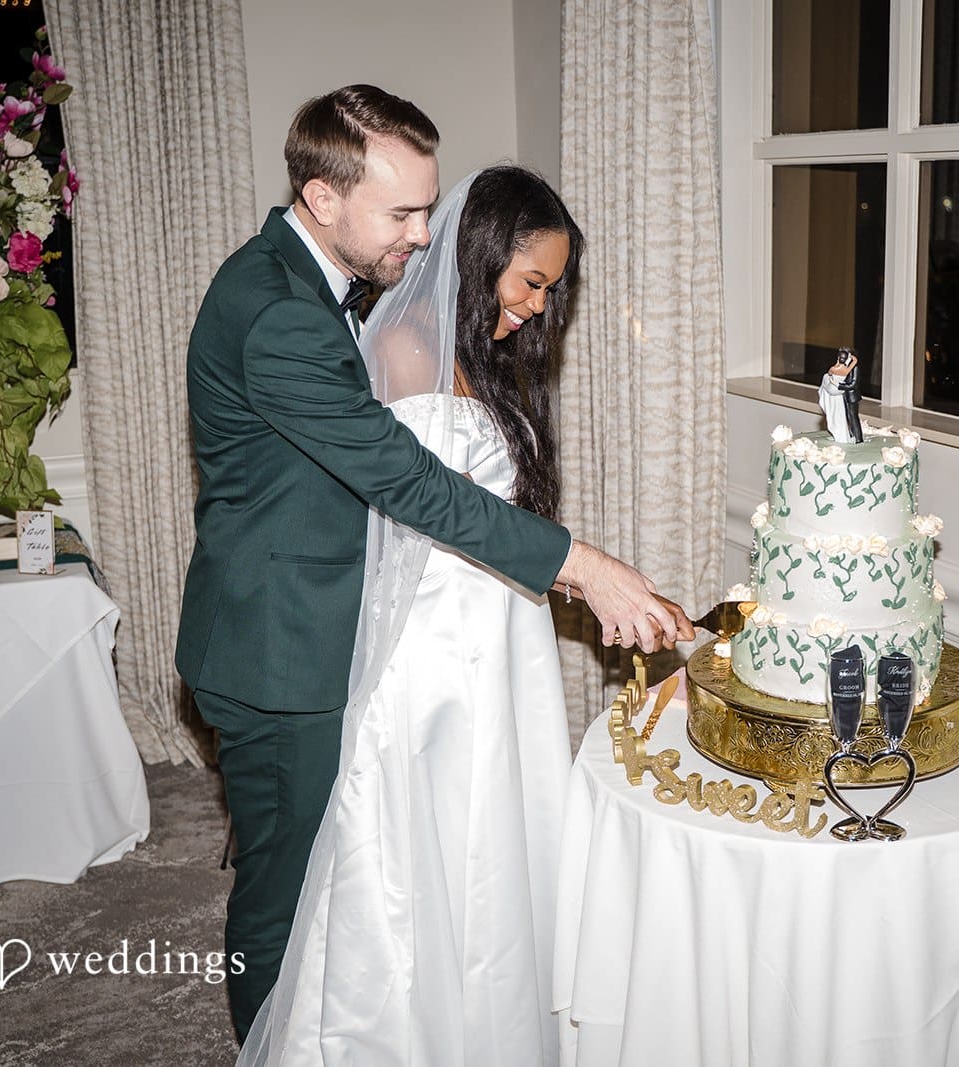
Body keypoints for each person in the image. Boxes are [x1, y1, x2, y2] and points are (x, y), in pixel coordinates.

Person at [175, 85, 693, 1042]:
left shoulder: (302, 283)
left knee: (360, 871)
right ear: (323, 199)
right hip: (278, 643)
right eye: (403, 212)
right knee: (286, 899)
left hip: (317, 615)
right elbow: (411, 483)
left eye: (429, 206)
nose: (423, 234)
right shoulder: (280, 314)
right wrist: (584, 565)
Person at [238, 165, 588, 1065]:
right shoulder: (400, 354)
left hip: (504, 634)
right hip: (437, 652)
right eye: (531, 283)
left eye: (551, 290)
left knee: (505, 849)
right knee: (427, 855)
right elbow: (413, 513)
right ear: (483, 259)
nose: (540, 308)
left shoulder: (489, 362)